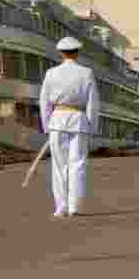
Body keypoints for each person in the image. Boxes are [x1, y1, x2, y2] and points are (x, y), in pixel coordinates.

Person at [38, 36, 100, 218]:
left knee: (58, 166)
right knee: (77, 164)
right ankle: (74, 206)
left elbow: (44, 102)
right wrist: (92, 126)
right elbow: (93, 102)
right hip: (78, 120)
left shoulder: (51, 73)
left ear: (61, 53)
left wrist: (46, 125)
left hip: (57, 120)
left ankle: (61, 207)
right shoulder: (86, 72)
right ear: (77, 52)